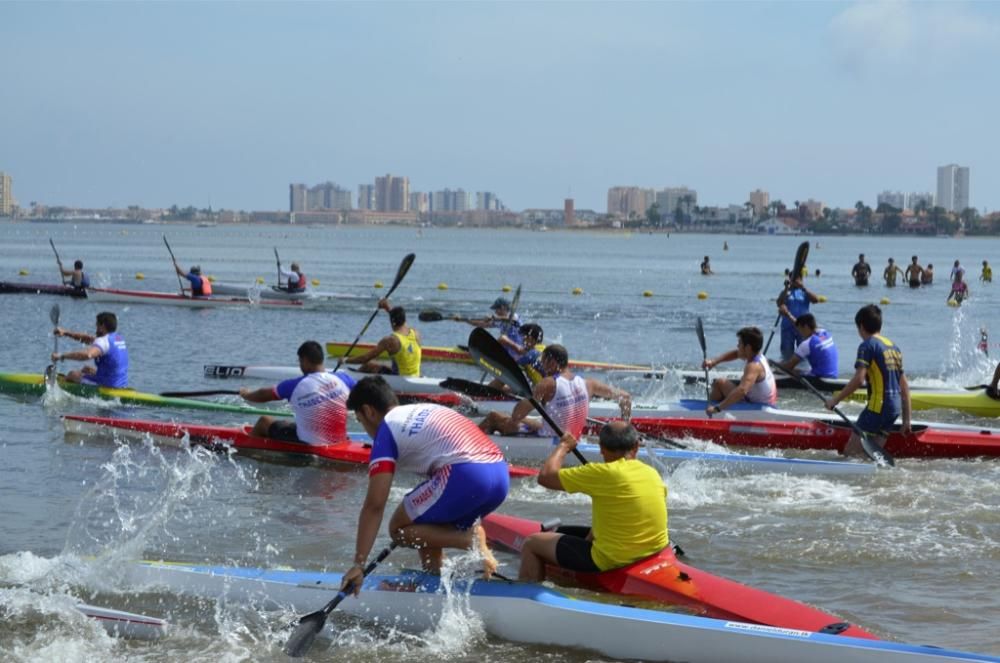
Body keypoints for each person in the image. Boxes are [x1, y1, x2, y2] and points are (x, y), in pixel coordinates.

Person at [339, 376, 509, 593]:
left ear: (368, 411)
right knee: (425, 521)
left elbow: (375, 504)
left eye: (360, 420)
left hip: (465, 475)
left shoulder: (387, 430)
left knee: (399, 528)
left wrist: (358, 564)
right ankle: (434, 577)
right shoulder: (424, 409)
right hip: (499, 474)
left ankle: (469, 538)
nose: (364, 428)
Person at [517, 421, 668, 582]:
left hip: (612, 560)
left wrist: (564, 446)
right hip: (655, 550)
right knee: (565, 532)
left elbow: (546, 477)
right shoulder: (651, 473)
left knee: (532, 542)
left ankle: (528, 595)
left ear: (601, 449)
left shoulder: (600, 473)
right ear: (636, 447)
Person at [478, 344, 631, 437]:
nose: (541, 367)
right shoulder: (589, 383)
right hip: (572, 436)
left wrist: (529, 397)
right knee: (533, 421)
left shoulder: (547, 384)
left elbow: (517, 415)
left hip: (549, 439)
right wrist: (626, 430)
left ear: (552, 362)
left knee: (493, 416)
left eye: (543, 362)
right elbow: (625, 397)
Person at [825, 304, 910, 457]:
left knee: (850, 454)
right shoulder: (894, 348)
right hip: (894, 409)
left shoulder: (867, 346)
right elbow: (904, 387)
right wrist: (906, 421)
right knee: (873, 457)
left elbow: (859, 380)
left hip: (878, 408)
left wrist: (835, 400)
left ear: (861, 326)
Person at [239, 340, 355, 444]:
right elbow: (365, 393)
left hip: (308, 444)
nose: (300, 366)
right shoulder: (344, 378)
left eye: (300, 361)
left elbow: (263, 394)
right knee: (287, 422)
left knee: (264, 421)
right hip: (340, 441)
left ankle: (245, 452)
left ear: (304, 360)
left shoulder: (295, 385)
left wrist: (246, 394)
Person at [703, 327, 777, 415]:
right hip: (765, 403)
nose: (737, 346)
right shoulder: (759, 355)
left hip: (758, 409)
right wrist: (714, 362)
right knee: (720, 383)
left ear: (748, 348)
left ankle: (709, 412)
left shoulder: (753, 366)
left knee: (720, 385)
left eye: (739, 344)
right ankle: (716, 407)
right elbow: (736, 354)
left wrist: (718, 408)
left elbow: (742, 391)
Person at [50, 312, 128, 388]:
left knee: (72, 374)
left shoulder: (103, 341)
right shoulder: (118, 339)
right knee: (87, 369)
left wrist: (61, 356)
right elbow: (87, 339)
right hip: (119, 383)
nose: (96, 329)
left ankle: (62, 386)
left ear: (102, 326)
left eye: (97, 325)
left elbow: (87, 355)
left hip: (107, 385)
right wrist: (66, 333)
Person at [346, 299, 421, 377]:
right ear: (404, 319)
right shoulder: (415, 333)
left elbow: (365, 358)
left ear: (392, 322)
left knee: (368, 365)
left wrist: (345, 360)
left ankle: (355, 381)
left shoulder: (391, 340)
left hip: (400, 379)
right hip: (416, 376)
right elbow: (399, 318)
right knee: (380, 365)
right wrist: (388, 308)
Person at [775, 313, 839, 379]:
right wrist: (788, 315)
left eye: (800, 330)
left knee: (787, 370)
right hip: (834, 375)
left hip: (819, 378)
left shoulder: (806, 344)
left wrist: (777, 366)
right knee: (799, 370)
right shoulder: (825, 333)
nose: (800, 333)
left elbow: (788, 367)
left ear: (805, 327)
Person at [776, 273, 819, 361]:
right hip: (787, 326)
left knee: (804, 353)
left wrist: (803, 287)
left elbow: (815, 300)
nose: (795, 282)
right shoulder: (786, 292)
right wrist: (786, 288)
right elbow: (779, 303)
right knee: (786, 352)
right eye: (793, 279)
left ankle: (803, 370)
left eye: (797, 279)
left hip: (803, 327)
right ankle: (786, 367)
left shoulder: (804, 292)